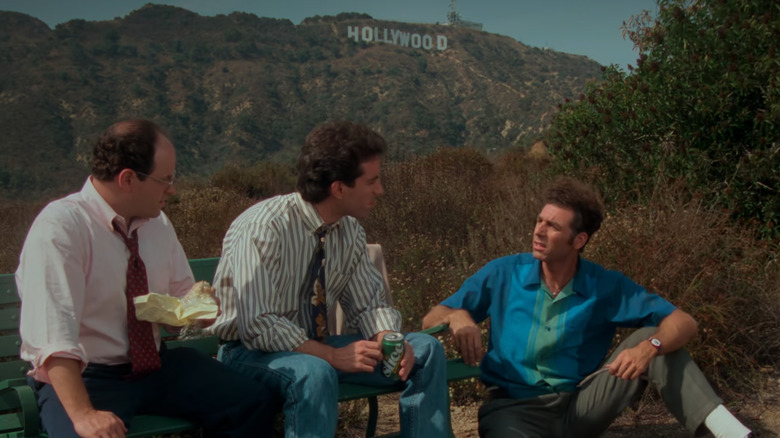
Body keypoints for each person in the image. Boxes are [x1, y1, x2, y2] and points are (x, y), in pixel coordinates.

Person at [422, 177, 752, 438]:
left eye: (553, 226)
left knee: (656, 338)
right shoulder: (503, 273)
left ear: (579, 240)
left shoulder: (604, 285)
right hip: (512, 411)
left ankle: (729, 433)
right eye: (539, 220)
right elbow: (430, 320)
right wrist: (456, 315)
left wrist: (649, 347)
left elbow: (684, 322)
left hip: (580, 407)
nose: (539, 231)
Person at [16, 119, 275, 438]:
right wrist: (84, 415)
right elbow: (53, 336)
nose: (172, 189)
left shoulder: (157, 223)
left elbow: (181, 295)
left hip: (155, 367)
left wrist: (196, 311)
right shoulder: (61, 229)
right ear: (128, 179)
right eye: (165, 179)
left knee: (251, 402)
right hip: (86, 376)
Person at [209, 120, 448, 438]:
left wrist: (387, 338)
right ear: (338, 188)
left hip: (316, 348)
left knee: (425, 350)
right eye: (372, 181)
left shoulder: (349, 230)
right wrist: (333, 356)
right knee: (315, 371)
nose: (380, 190)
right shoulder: (265, 227)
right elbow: (258, 324)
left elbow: (368, 303)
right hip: (248, 353)